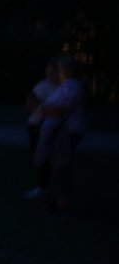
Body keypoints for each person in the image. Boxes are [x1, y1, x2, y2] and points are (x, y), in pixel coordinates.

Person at [33, 56, 86, 213]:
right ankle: (60, 200)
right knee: (60, 165)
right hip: (64, 130)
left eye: (59, 69)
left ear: (65, 70)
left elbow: (59, 110)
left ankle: (63, 204)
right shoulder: (68, 86)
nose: (55, 72)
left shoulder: (72, 86)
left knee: (62, 166)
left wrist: (41, 108)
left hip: (68, 130)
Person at [23, 59, 60, 198]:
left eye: (53, 70)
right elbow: (29, 106)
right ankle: (41, 186)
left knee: (54, 156)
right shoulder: (43, 85)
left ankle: (54, 186)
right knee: (41, 157)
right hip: (37, 124)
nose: (50, 73)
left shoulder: (64, 87)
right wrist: (33, 102)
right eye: (48, 70)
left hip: (55, 125)